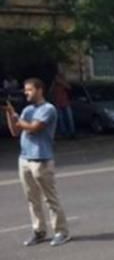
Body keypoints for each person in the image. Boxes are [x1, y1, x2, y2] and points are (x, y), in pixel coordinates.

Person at [2, 78, 71, 247]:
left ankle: (61, 231)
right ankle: (39, 231)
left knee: (50, 199)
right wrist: (9, 112)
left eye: (29, 89)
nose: (26, 93)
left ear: (40, 90)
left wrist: (17, 118)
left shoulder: (48, 109)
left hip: (42, 159)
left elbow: (34, 128)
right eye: (25, 90)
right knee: (32, 199)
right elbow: (15, 132)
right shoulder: (27, 110)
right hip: (24, 159)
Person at [51, 71, 75, 138]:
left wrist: (61, 82)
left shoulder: (63, 83)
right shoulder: (54, 85)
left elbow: (69, 87)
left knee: (69, 118)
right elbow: (51, 92)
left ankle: (72, 132)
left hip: (65, 102)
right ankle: (64, 133)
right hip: (57, 103)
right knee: (61, 119)